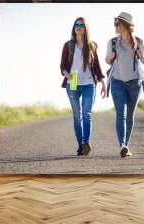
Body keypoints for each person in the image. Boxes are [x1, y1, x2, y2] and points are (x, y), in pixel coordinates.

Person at [60, 17, 107, 156]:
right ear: (73, 28)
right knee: (77, 116)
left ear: (86, 28)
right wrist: (66, 73)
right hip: (72, 83)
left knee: (86, 114)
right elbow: (62, 65)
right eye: (76, 24)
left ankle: (86, 143)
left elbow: (97, 67)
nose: (79, 27)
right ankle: (80, 145)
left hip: (89, 84)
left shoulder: (92, 45)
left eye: (81, 25)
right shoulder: (68, 45)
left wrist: (103, 83)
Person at [106, 12, 144, 158]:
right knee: (121, 115)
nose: (115, 26)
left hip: (135, 83)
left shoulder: (139, 41)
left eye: (118, 23)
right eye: (115, 23)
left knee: (130, 116)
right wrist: (110, 57)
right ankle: (122, 145)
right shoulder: (112, 42)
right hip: (117, 82)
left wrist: (140, 54)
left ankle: (126, 146)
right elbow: (107, 60)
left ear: (126, 26)